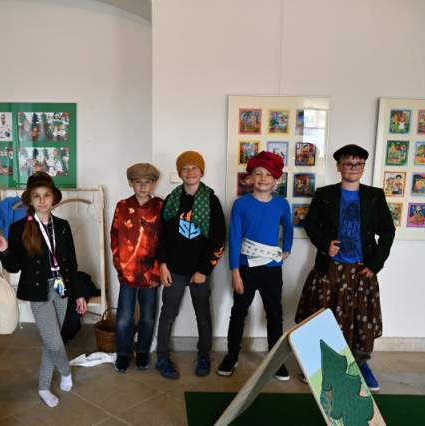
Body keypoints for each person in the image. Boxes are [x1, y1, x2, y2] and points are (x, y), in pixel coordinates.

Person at [295, 144, 395, 392]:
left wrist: (375, 264)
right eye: (349, 163)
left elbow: (388, 231)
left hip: (361, 270)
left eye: (359, 164)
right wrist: (324, 244)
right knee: (322, 316)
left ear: (363, 167)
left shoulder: (374, 196)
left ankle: (361, 365)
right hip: (330, 268)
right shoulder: (325, 194)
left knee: (361, 320)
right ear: (339, 166)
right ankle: (318, 365)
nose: (354, 168)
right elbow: (311, 225)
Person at [0, 172, 87, 408]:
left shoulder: (62, 226)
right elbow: (14, 267)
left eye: (46, 195)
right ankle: (65, 371)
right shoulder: (18, 228)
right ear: (30, 200)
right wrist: (4, 250)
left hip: (61, 288)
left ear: (53, 198)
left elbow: (71, 264)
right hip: (38, 291)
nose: (42, 200)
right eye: (36, 196)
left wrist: (79, 294)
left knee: (51, 340)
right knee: (54, 343)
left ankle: (44, 387)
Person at [217, 151, 293, 380]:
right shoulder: (241, 204)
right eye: (258, 174)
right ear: (250, 177)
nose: (263, 178)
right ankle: (232, 356)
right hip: (246, 269)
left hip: (272, 270)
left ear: (276, 179)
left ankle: (275, 359)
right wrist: (235, 272)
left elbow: (288, 227)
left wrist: (287, 249)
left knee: (274, 314)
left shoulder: (281, 204)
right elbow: (234, 238)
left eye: (268, 175)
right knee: (239, 313)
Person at [155, 151, 226, 379]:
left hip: (199, 271)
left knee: (203, 315)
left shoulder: (211, 201)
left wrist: (204, 270)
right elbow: (162, 236)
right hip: (174, 269)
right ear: (179, 173)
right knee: (168, 314)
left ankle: (204, 355)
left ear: (202, 171)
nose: (190, 172)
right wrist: (162, 264)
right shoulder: (172, 199)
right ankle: (162, 357)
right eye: (185, 168)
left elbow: (218, 238)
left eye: (194, 168)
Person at [110, 163, 164, 373]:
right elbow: (115, 236)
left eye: (147, 182)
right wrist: (119, 263)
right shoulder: (122, 206)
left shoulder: (161, 206)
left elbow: (166, 239)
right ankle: (123, 353)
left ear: (154, 184)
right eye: (138, 182)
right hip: (127, 271)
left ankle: (142, 351)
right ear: (130, 183)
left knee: (148, 316)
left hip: (151, 272)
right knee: (124, 316)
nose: (142, 186)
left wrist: (159, 268)